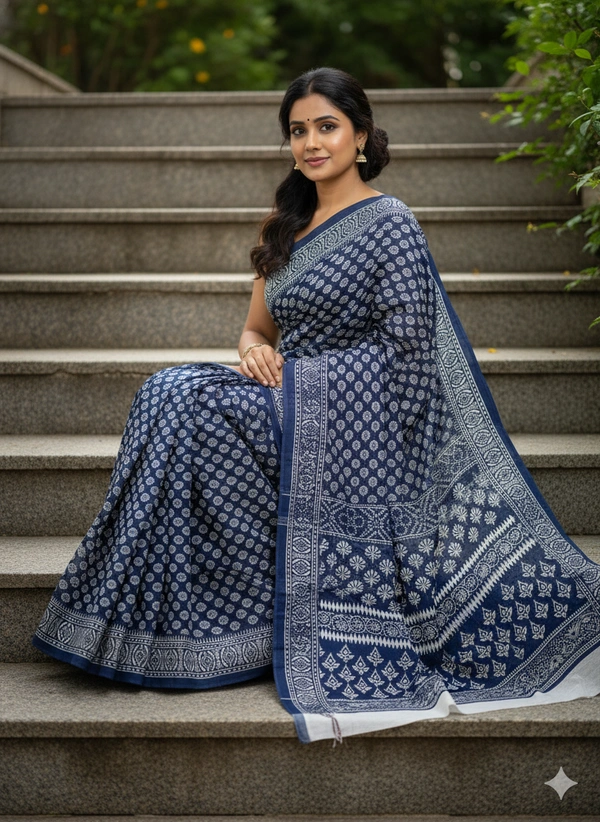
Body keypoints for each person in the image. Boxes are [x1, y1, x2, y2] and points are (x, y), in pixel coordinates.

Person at [33, 67, 600, 743]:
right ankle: (197, 626)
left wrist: (307, 382)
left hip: (354, 428)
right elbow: (256, 328)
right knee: (168, 391)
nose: (310, 142)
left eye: (326, 126)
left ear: (360, 136)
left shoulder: (390, 223)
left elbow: (407, 354)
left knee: (189, 403)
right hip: (286, 401)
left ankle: (226, 621)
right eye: (298, 130)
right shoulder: (286, 226)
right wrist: (254, 353)